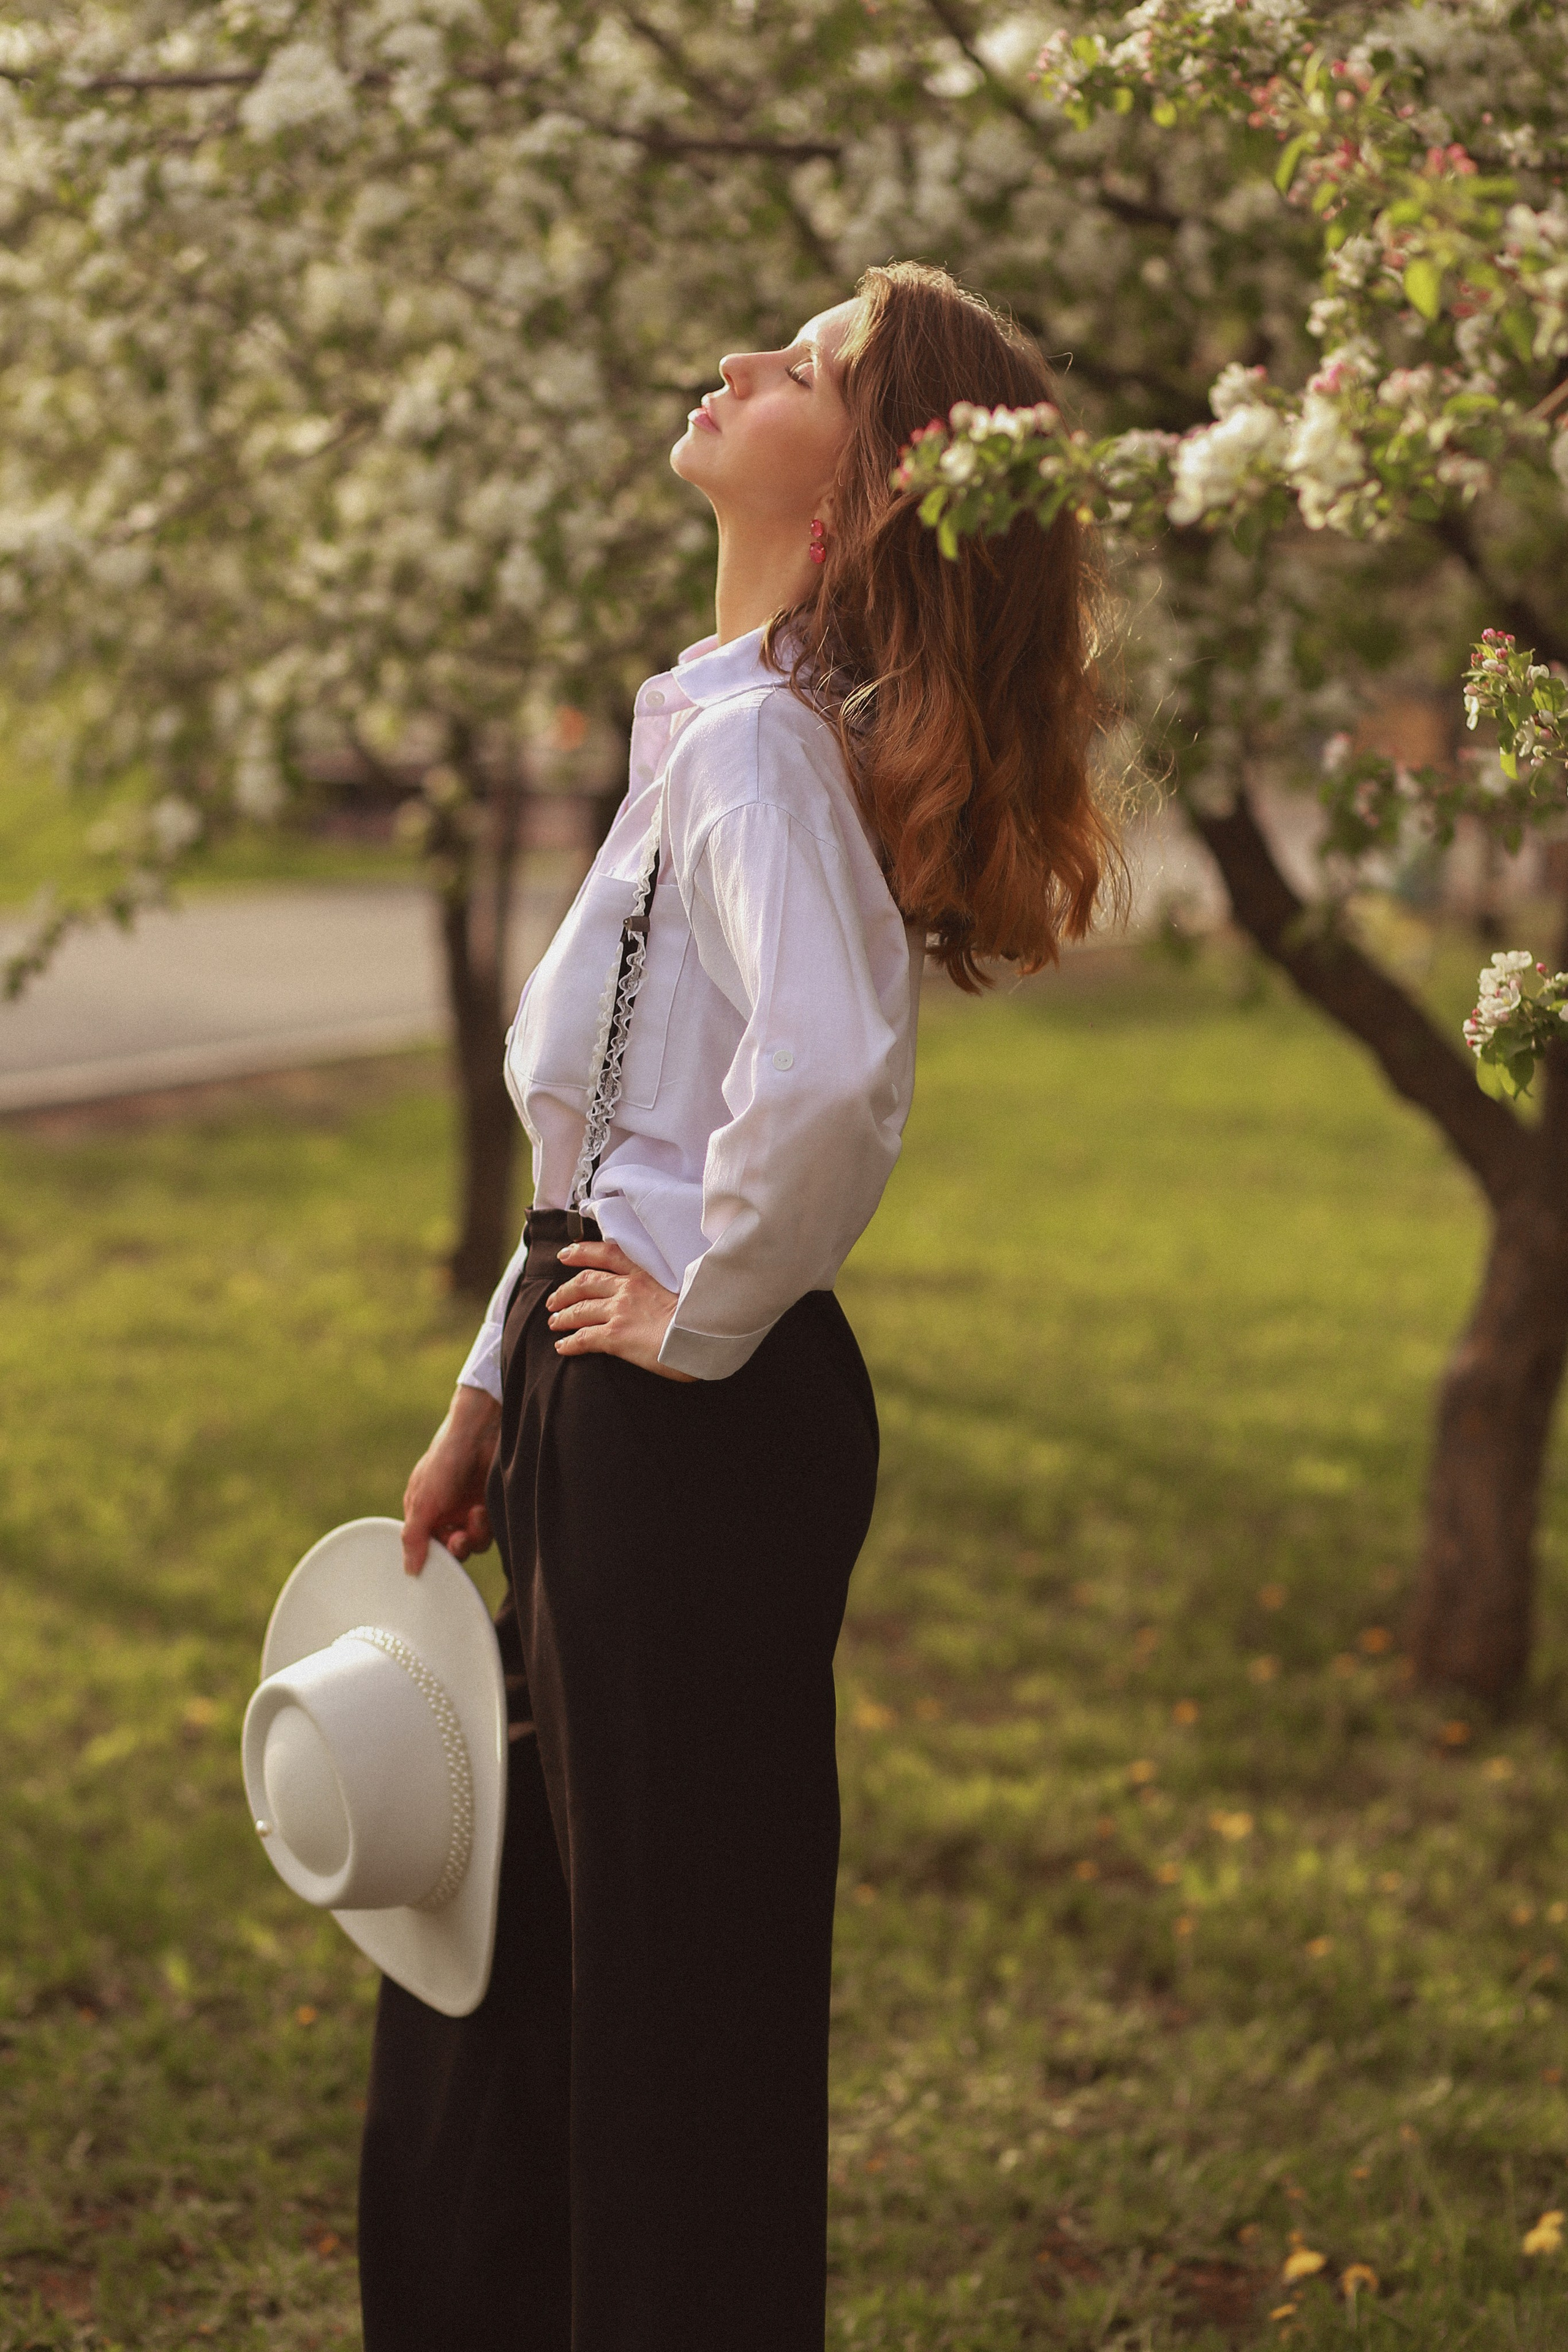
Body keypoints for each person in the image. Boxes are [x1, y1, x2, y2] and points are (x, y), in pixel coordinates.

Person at [358, 260, 1115, 2351]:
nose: (746, 358)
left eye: (817, 366)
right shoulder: (716, 723)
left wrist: (694, 1319)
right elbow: (617, 1129)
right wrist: (493, 1391)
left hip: (699, 1412)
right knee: (531, 1942)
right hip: (614, 1388)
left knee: (671, 1990)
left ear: (862, 502)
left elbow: (832, 1081)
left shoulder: (763, 752)